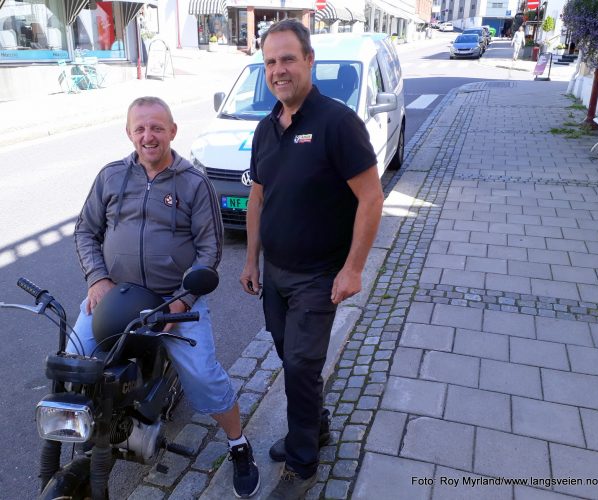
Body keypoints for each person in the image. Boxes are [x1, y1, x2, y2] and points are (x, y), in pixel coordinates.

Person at [71, 96, 259, 499]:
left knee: (204, 377)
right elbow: (86, 231)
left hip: (170, 302)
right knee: (74, 360)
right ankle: (92, 429)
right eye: (139, 128)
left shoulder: (194, 182)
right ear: (129, 133)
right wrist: (96, 278)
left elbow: (210, 249)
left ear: (173, 131)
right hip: (115, 295)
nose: (148, 135)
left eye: (157, 127)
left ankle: (238, 444)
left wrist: (181, 301)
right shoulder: (110, 176)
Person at [239, 19, 384, 499]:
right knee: (289, 355)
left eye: (286, 59)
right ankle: (315, 423)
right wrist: (250, 261)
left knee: (301, 365)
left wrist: (354, 268)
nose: (278, 70)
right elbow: (259, 196)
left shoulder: (337, 123)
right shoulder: (265, 128)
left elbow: (371, 197)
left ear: (308, 61)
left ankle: (303, 457)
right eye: (270, 62)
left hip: (319, 275)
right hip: (276, 274)